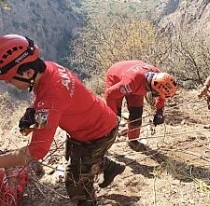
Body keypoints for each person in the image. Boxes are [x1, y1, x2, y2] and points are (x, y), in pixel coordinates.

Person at [0, 34, 126, 206]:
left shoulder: (49, 101)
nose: (8, 83)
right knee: (80, 157)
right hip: (98, 122)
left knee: (76, 183)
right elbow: (46, 98)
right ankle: (110, 167)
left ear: (28, 72)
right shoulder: (49, 68)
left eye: (9, 79)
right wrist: (32, 113)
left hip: (96, 134)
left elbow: (36, 151)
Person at [104, 60, 177, 152]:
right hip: (116, 78)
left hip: (137, 84)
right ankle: (103, 147)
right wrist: (113, 114)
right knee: (114, 120)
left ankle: (133, 141)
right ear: (153, 90)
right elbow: (109, 94)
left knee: (136, 114)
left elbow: (161, 96)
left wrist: (159, 111)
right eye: (157, 94)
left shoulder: (160, 78)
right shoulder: (131, 82)